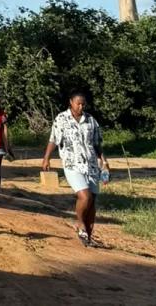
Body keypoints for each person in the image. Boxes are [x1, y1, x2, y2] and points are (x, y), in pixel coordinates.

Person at [41, 90, 110, 247]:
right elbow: (54, 140)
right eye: (78, 103)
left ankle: (88, 237)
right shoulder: (61, 119)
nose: (81, 106)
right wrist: (47, 158)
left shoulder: (91, 120)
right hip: (72, 164)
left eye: (83, 104)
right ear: (71, 102)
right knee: (84, 196)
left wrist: (104, 163)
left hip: (91, 164)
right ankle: (80, 223)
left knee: (92, 201)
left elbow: (97, 144)